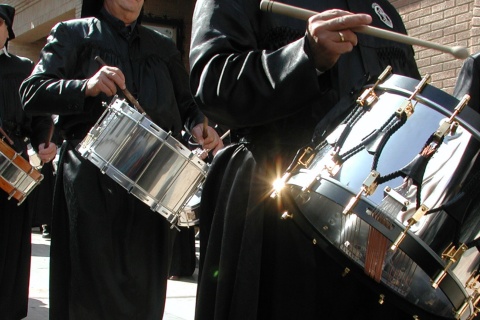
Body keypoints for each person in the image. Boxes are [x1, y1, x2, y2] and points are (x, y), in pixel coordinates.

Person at [189, 0, 423, 319]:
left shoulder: (382, 11)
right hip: (272, 203)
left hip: (370, 222)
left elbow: (413, 105)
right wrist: (305, 56)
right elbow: (212, 83)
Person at [19, 0, 223, 319]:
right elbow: (31, 93)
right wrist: (84, 87)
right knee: (89, 289)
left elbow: (188, 104)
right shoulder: (74, 34)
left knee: (144, 288)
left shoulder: (163, 47)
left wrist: (199, 124)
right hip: (90, 180)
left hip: (150, 183)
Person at [0, 4, 56, 320]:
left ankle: (6, 308)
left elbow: (39, 118)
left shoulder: (23, 69)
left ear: (9, 30)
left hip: (12, 167)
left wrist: (43, 143)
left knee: (10, 242)